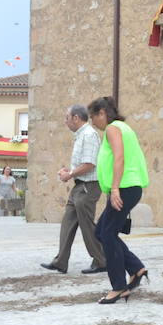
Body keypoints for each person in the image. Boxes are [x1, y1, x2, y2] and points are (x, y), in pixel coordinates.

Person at [87, 97, 150, 304]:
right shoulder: (123, 127)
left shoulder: (113, 129)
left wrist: (114, 188)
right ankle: (136, 268)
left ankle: (119, 287)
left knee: (107, 233)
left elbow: (119, 157)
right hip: (127, 187)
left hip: (123, 187)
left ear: (102, 113)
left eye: (93, 117)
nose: (92, 122)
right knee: (101, 231)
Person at [41, 104, 106, 275]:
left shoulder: (89, 135)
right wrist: (69, 171)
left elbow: (90, 164)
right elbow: (83, 163)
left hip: (88, 186)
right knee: (68, 222)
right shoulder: (81, 135)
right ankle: (60, 261)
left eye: (67, 117)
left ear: (76, 118)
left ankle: (102, 260)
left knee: (87, 225)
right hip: (81, 186)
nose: (65, 121)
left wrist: (69, 174)